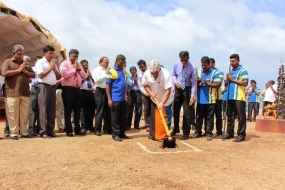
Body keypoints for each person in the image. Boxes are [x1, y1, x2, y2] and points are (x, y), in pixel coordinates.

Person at [1, 45, 35, 140]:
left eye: (22, 54)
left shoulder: (26, 64)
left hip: (25, 92)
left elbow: (33, 74)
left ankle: (24, 132)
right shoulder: (8, 62)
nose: (21, 56)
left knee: (24, 114)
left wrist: (24, 71)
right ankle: (14, 133)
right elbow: (4, 73)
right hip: (12, 92)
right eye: (19, 54)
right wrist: (18, 70)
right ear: (13, 53)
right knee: (12, 114)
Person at [141, 60, 174, 141]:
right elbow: (145, 85)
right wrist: (151, 93)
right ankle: (153, 134)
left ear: (159, 69)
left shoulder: (166, 74)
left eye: (155, 73)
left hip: (166, 99)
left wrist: (162, 103)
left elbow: (168, 91)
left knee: (166, 117)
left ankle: (165, 135)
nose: (153, 75)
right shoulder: (147, 73)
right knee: (154, 117)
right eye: (152, 73)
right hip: (154, 98)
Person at [36, 45, 61, 138]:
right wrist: (51, 67)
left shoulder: (53, 63)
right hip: (43, 86)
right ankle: (43, 131)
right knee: (43, 109)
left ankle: (50, 130)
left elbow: (59, 76)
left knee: (52, 110)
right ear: (44, 53)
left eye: (53, 53)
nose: (52, 55)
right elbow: (41, 75)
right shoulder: (40, 62)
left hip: (53, 87)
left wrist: (54, 68)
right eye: (50, 53)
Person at [60, 49, 86, 137]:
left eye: (77, 56)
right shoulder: (64, 63)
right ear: (69, 55)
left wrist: (79, 69)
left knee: (77, 110)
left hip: (77, 89)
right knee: (68, 110)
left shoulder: (78, 64)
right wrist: (74, 69)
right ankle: (68, 130)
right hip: (68, 89)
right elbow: (65, 75)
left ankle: (77, 129)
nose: (75, 58)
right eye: (74, 56)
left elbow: (84, 76)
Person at [171, 51, 197, 140]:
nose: (184, 62)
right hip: (178, 89)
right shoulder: (175, 64)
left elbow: (194, 83)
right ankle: (176, 129)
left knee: (187, 112)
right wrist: (175, 82)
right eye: (182, 60)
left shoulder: (193, 67)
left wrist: (193, 96)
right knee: (175, 110)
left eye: (185, 60)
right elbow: (173, 74)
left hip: (188, 89)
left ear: (188, 58)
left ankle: (186, 132)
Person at [194, 56, 221, 141]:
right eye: (202, 65)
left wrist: (207, 83)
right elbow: (194, 83)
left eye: (205, 65)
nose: (203, 67)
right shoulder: (198, 72)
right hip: (200, 99)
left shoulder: (215, 73)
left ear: (210, 64)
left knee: (210, 117)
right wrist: (199, 83)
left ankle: (209, 133)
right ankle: (198, 132)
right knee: (199, 117)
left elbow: (218, 84)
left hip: (210, 99)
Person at [106, 54, 132, 141]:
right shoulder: (111, 71)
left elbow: (126, 85)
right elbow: (108, 86)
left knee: (122, 116)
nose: (122, 64)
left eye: (123, 62)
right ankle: (115, 134)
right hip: (115, 98)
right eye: (121, 62)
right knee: (115, 117)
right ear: (116, 61)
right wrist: (109, 99)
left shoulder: (124, 71)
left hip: (123, 99)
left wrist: (128, 95)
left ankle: (122, 132)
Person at [224, 54, 249, 142]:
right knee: (230, 117)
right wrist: (226, 80)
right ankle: (230, 133)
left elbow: (245, 82)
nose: (231, 63)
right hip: (229, 97)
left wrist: (232, 79)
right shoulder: (231, 71)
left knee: (241, 117)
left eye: (233, 61)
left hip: (239, 97)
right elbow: (227, 84)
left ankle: (241, 135)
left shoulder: (243, 70)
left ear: (238, 60)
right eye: (230, 61)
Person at [93, 56, 112, 136]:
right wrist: (106, 73)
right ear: (101, 62)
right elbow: (96, 79)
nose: (107, 64)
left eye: (108, 62)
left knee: (108, 110)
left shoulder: (108, 70)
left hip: (108, 91)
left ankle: (107, 128)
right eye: (106, 62)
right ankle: (97, 129)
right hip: (100, 90)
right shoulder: (96, 70)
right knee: (100, 110)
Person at [210, 58, 224, 138]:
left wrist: (209, 82)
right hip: (209, 98)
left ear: (213, 64)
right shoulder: (206, 72)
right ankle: (209, 131)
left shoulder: (219, 72)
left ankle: (219, 132)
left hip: (217, 97)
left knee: (218, 116)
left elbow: (219, 82)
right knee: (209, 116)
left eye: (210, 63)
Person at [80, 59, 95, 133]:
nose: (85, 66)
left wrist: (91, 76)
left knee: (91, 111)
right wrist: (86, 76)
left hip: (91, 93)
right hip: (83, 92)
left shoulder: (90, 72)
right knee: (83, 111)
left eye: (86, 65)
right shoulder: (79, 72)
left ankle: (90, 126)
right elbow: (79, 83)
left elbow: (94, 82)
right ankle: (84, 127)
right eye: (84, 65)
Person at [28, 55, 42, 136]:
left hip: (43, 89)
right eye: (38, 61)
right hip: (35, 88)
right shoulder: (33, 69)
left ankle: (40, 128)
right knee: (33, 108)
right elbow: (33, 81)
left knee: (41, 109)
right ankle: (31, 128)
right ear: (35, 62)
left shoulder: (44, 68)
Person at [137, 60, 151, 132]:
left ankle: (154, 124)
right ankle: (148, 125)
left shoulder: (150, 71)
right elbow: (140, 85)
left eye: (142, 67)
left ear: (145, 65)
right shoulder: (140, 75)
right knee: (146, 109)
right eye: (140, 67)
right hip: (145, 94)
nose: (141, 68)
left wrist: (151, 92)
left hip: (153, 92)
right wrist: (145, 93)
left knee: (154, 109)